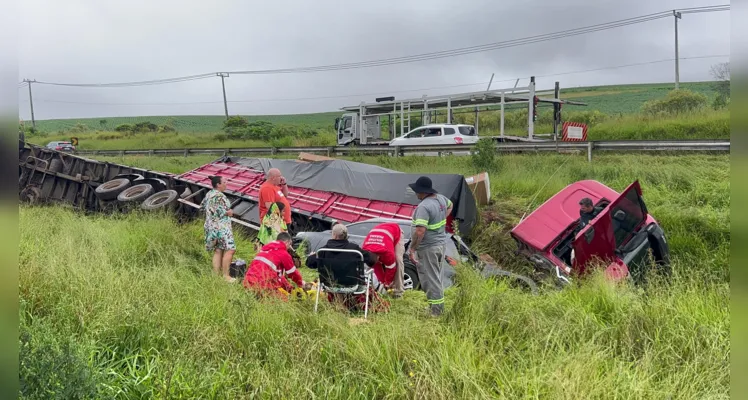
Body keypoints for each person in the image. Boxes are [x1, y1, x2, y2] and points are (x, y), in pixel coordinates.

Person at [406, 176, 453, 317]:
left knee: (430, 280)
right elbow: (450, 205)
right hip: (440, 244)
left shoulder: (424, 207)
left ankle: (436, 312)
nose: (416, 194)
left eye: (417, 191)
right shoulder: (441, 199)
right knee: (436, 277)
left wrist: (412, 249)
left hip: (428, 248)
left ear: (423, 192)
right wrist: (443, 217)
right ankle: (436, 307)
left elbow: (420, 231)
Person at [243, 232, 305, 296]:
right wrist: (301, 283)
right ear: (287, 242)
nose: (289, 247)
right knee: (284, 300)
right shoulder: (283, 253)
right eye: (290, 245)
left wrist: (290, 288)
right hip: (262, 285)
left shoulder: (264, 250)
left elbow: (278, 277)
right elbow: (292, 273)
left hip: (247, 282)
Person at [200, 175, 236, 282]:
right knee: (230, 249)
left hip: (211, 227)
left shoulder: (209, 194)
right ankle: (226, 276)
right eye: (224, 182)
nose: (226, 184)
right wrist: (229, 212)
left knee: (218, 250)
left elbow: (202, 207)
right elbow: (221, 212)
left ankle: (216, 276)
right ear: (218, 184)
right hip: (222, 228)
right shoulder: (220, 196)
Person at [361, 222, 406, 297]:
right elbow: (376, 268)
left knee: (398, 261)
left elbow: (391, 268)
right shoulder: (365, 250)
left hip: (395, 230)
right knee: (382, 278)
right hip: (380, 233)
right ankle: (382, 291)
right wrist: (383, 282)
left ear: (378, 257)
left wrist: (387, 282)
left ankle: (399, 292)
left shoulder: (387, 253)